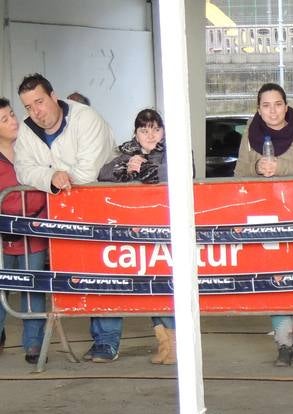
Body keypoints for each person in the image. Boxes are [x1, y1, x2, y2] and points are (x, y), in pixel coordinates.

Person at [14, 73, 117, 361]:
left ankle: (107, 340)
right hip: (62, 214)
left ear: (53, 96)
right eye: (28, 107)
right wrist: (51, 175)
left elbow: (87, 174)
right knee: (73, 273)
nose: (36, 111)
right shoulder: (26, 131)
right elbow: (23, 169)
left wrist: (52, 173)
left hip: (102, 207)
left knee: (103, 273)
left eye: (40, 102)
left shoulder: (87, 120)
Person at [234, 82, 293, 368]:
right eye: (266, 105)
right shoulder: (250, 134)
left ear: (286, 105)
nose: (273, 110)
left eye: (278, 104)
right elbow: (239, 173)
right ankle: (283, 343)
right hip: (266, 217)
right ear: (258, 109)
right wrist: (256, 170)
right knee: (276, 285)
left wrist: (282, 169)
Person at [96, 108, 175, 365]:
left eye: (155, 128)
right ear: (136, 133)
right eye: (144, 129)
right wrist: (127, 167)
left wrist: (144, 169)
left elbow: (183, 171)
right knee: (141, 286)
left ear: (163, 130)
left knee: (165, 285)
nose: (150, 134)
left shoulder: (175, 150)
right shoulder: (125, 152)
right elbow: (103, 173)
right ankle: (164, 343)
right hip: (132, 232)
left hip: (164, 229)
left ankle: (174, 343)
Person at [0, 96, 48, 365]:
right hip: (3, 235)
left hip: (34, 231)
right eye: (4, 119)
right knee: (1, 290)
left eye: (12, 114)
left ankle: (33, 345)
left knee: (33, 288)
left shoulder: (32, 147)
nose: (13, 121)